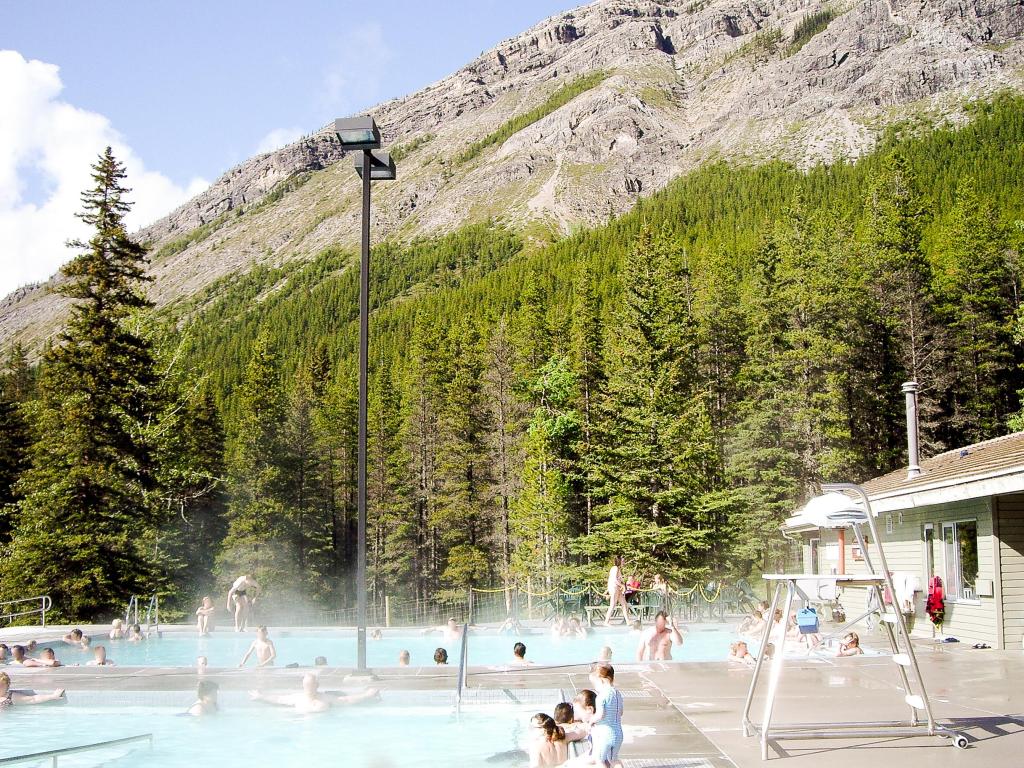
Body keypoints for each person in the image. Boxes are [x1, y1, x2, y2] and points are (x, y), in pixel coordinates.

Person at [250, 672, 378, 713]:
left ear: (316, 685)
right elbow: (278, 699)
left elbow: (347, 700)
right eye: (308, 685)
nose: (309, 687)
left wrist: (367, 695)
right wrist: (261, 696)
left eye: (311, 684)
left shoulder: (325, 698)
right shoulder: (297, 698)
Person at [589, 663, 624, 767]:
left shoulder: (601, 696)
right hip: (618, 734)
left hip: (605, 735)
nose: (595, 688)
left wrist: (592, 720)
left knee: (600, 760)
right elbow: (621, 712)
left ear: (601, 680)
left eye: (595, 684)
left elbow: (601, 715)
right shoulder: (617, 694)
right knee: (614, 760)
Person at [0, 671, 65, 708]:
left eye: (1, 685)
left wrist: (53, 696)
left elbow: (33, 699)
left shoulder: (11, 697)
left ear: (7, 686)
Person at [604, 556, 633, 626]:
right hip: (614, 588)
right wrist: (621, 585)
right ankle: (606, 621)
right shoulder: (615, 568)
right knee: (613, 604)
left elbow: (618, 579)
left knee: (624, 604)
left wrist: (622, 584)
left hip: (617, 588)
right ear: (619, 561)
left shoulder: (618, 569)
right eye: (623, 561)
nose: (624, 562)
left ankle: (628, 621)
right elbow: (614, 580)